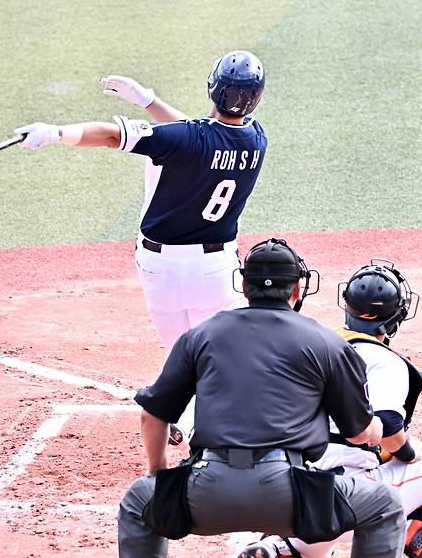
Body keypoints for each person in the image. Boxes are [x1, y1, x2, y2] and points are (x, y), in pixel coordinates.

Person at [110, 240, 415, 558]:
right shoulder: (326, 343)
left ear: (245, 286)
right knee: (383, 506)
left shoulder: (202, 334)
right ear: (297, 290)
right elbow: (362, 432)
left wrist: (159, 474)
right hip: (293, 502)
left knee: (137, 504)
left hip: (204, 494)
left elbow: (153, 415)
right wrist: (385, 426)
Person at [16, 51, 267, 442]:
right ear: (256, 98)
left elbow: (114, 135)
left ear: (212, 89)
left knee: (180, 352)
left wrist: (56, 133)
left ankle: (183, 416)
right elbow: (199, 135)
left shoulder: (187, 139)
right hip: (216, 272)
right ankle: (210, 434)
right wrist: (147, 102)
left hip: (158, 269)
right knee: (225, 359)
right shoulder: (256, 140)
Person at [201, 259, 422, 558]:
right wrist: (410, 452)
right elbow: (389, 428)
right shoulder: (385, 362)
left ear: (345, 304)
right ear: (397, 316)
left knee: (317, 555)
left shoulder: (310, 344)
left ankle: (274, 554)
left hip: (278, 492)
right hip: (348, 498)